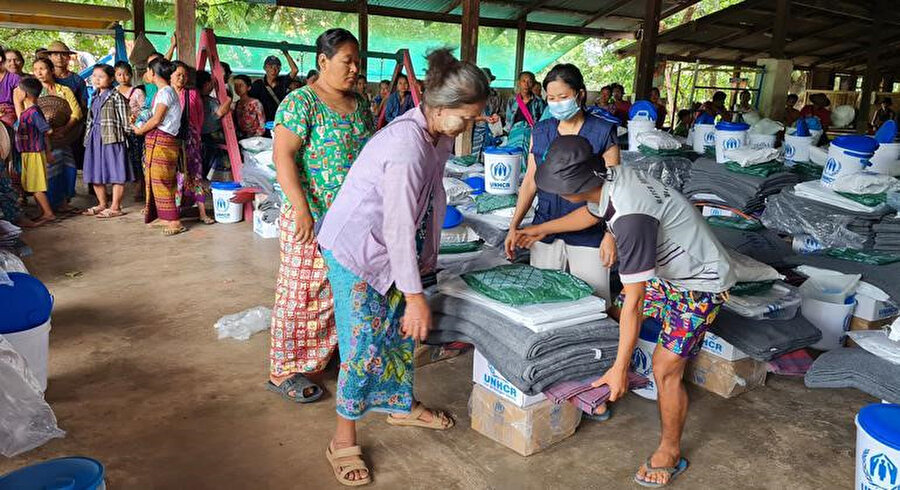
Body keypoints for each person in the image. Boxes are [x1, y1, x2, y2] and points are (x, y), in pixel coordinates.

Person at [521, 134, 735, 488]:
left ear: (573, 187)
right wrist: (539, 229)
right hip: (669, 271)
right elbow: (590, 215)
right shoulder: (609, 177)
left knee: (665, 368)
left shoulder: (631, 218)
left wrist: (620, 368)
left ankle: (669, 449)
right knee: (613, 317)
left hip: (701, 282)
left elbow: (636, 300)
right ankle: (601, 383)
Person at [316, 47, 488, 487]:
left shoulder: (439, 136)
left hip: (395, 248)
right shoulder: (407, 145)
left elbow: (435, 197)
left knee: (396, 332)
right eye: (465, 117)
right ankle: (342, 439)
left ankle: (400, 406)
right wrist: (414, 295)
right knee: (363, 343)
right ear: (439, 105)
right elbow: (394, 226)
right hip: (358, 249)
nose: (469, 126)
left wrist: (427, 255)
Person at [268, 28, 374, 405]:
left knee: (337, 292)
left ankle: (320, 360)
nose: (354, 69)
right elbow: (282, 158)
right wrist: (301, 209)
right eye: (347, 61)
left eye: (357, 61)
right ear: (323, 62)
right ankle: (284, 370)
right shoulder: (301, 103)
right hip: (309, 218)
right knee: (301, 294)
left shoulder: (360, 104)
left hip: (349, 220)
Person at [506, 63, 619, 304]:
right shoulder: (542, 131)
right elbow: (529, 182)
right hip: (544, 228)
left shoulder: (602, 130)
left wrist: (611, 234)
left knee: (593, 301)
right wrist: (514, 225)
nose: (557, 103)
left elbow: (615, 188)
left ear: (580, 94)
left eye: (563, 97)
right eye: (551, 98)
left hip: (590, 232)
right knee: (544, 300)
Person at [132, 57, 185, 236]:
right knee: (158, 180)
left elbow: (156, 120)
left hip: (163, 141)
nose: (146, 74)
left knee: (161, 180)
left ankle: (174, 221)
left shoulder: (164, 93)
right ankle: (165, 217)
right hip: (163, 141)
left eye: (147, 71)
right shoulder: (166, 91)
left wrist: (139, 131)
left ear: (152, 73)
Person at [82, 64, 132, 218]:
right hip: (95, 138)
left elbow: (126, 122)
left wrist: (125, 139)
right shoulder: (95, 96)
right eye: (94, 76)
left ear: (111, 79)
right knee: (95, 171)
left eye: (101, 76)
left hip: (113, 138)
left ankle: (115, 207)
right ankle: (102, 204)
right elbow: (90, 120)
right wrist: (87, 139)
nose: (96, 79)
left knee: (117, 172)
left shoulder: (117, 96)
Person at [32, 57, 81, 212]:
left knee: (69, 167)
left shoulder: (64, 90)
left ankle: (64, 202)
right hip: (42, 137)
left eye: (42, 68)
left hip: (63, 136)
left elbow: (77, 112)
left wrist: (64, 129)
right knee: (49, 169)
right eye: (36, 69)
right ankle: (50, 205)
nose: (39, 72)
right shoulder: (33, 92)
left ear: (51, 70)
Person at [171, 62, 212, 225]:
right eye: (178, 74)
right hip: (171, 140)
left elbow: (199, 118)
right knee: (175, 176)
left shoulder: (192, 93)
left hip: (191, 139)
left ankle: (202, 212)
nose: (181, 78)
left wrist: (194, 136)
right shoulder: (165, 93)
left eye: (184, 75)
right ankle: (174, 212)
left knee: (195, 175)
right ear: (170, 76)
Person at [12, 77, 55, 224]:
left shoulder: (34, 113)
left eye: (18, 90)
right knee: (32, 184)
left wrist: (48, 151)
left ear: (24, 94)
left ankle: (48, 213)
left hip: (34, 152)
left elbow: (47, 131)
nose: (15, 92)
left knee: (36, 185)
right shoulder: (27, 112)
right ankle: (43, 211)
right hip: (28, 152)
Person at [114, 61, 146, 202]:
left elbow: (145, 111)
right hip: (119, 131)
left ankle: (139, 188)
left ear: (131, 75)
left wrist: (137, 118)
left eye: (126, 74)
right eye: (119, 74)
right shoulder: (113, 92)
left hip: (135, 131)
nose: (123, 78)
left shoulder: (137, 92)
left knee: (136, 158)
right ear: (115, 76)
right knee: (123, 159)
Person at [196, 70, 232, 183]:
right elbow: (220, 113)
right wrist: (229, 100)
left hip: (200, 135)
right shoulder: (209, 101)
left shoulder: (195, 98)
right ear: (206, 84)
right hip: (212, 135)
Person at [249, 47, 300, 123]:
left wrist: (286, 53)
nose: (274, 70)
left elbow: (295, 70)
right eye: (271, 67)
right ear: (265, 68)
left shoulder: (283, 81)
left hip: (280, 122)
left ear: (280, 69)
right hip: (263, 123)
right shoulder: (258, 85)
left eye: (277, 67)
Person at [471, 67, 502, 159]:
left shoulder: (496, 94)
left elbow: (502, 112)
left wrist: (497, 116)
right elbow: (467, 116)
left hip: (492, 131)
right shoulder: (472, 95)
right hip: (476, 131)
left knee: (489, 157)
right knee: (474, 158)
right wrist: (483, 118)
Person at [46, 41, 87, 108]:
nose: (59, 58)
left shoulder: (77, 80)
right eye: (55, 54)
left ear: (68, 57)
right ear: (49, 57)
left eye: (63, 54)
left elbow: (83, 106)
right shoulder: (44, 78)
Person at [0, 50, 21, 130]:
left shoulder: (14, 79)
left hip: (8, 113)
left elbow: (18, 103)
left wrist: (20, 121)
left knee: (6, 123)